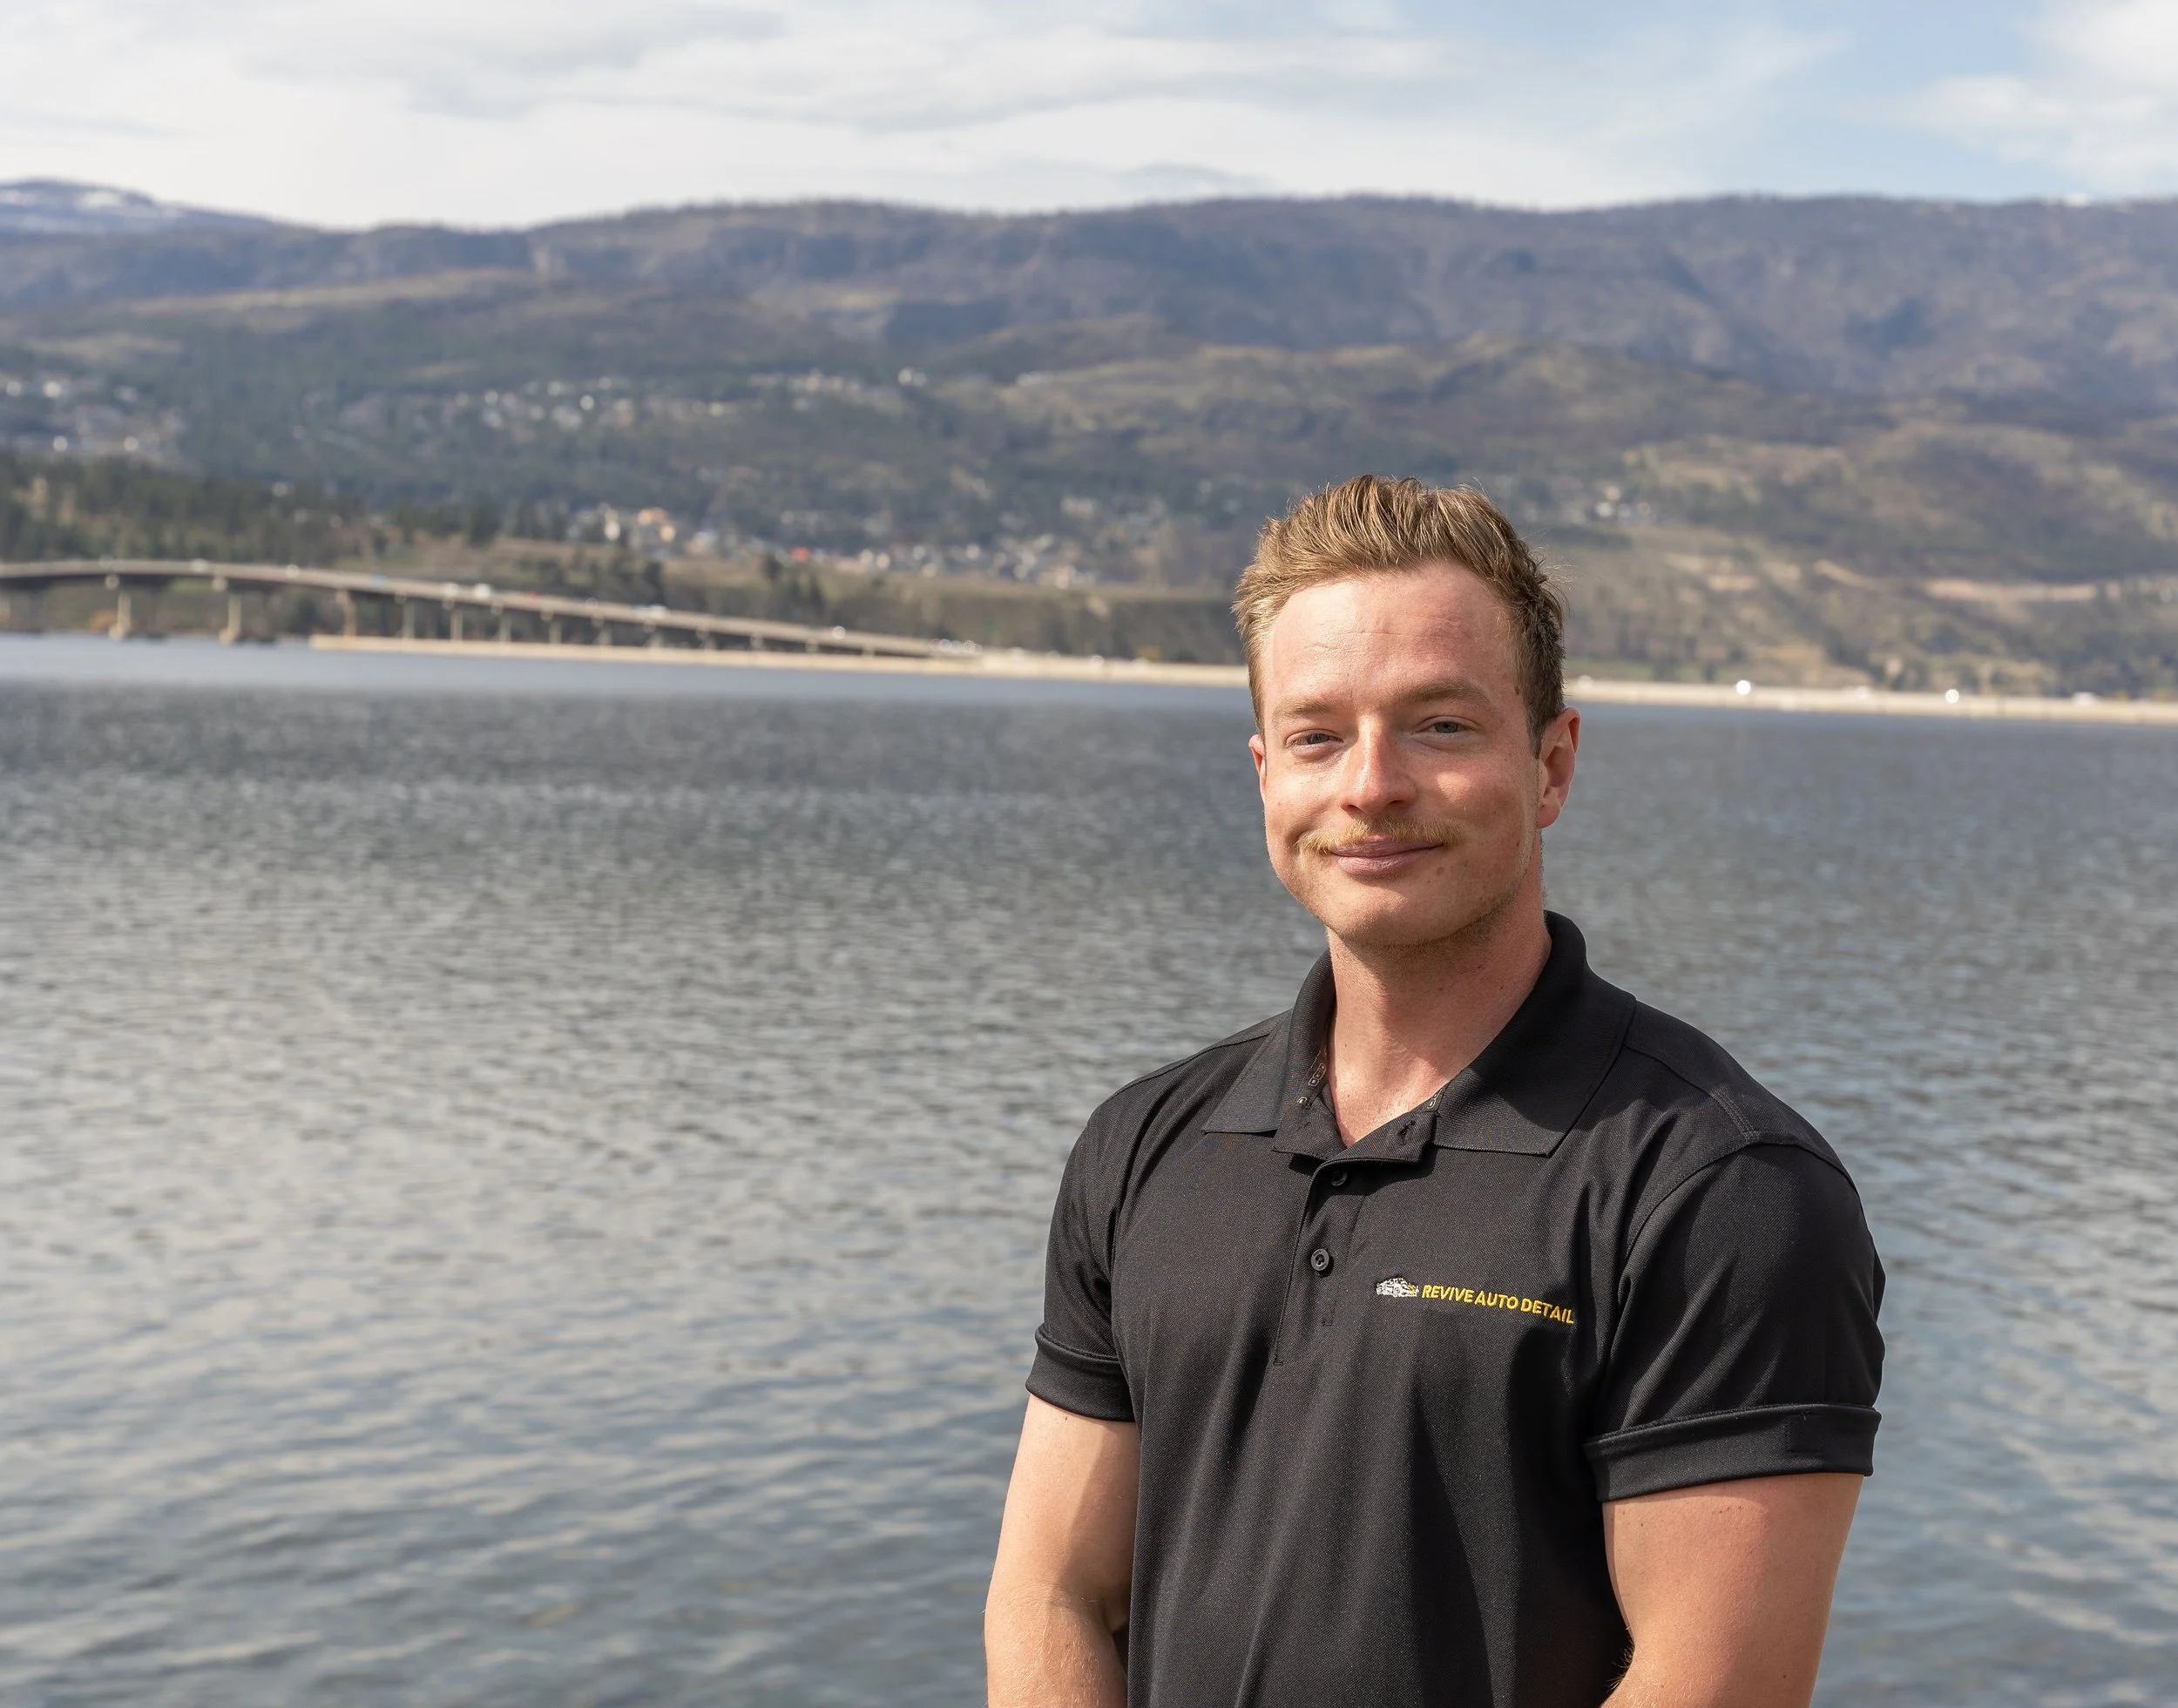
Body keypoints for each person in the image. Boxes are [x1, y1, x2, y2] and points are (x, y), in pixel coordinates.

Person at [984, 476, 1885, 1708]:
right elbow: (1054, 1595)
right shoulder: (1146, 1148)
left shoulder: (1721, 1192)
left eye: (1440, 727)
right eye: (1317, 736)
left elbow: (1712, 1686)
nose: (1370, 785)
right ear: (1264, 775)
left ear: (1553, 763)